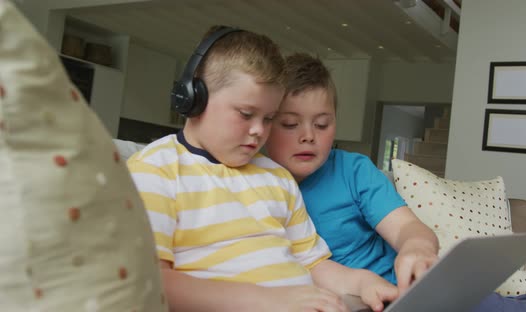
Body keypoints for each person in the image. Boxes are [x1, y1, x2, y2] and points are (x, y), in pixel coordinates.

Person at [264, 53, 526, 312]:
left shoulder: (351, 170)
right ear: (265, 123)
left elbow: (407, 227)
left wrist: (416, 247)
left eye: (322, 124)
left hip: (410, 291)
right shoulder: (253, 187)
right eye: (290, 124)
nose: (308, 135)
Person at [128, 26, 397, 312]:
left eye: (269, 118)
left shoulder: (276, 177)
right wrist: (266, 300)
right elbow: (151, 281)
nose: (258, 131)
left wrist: (362, 282)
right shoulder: (155, 171)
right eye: (246, 114)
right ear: (195, 96)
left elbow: (314, 264)